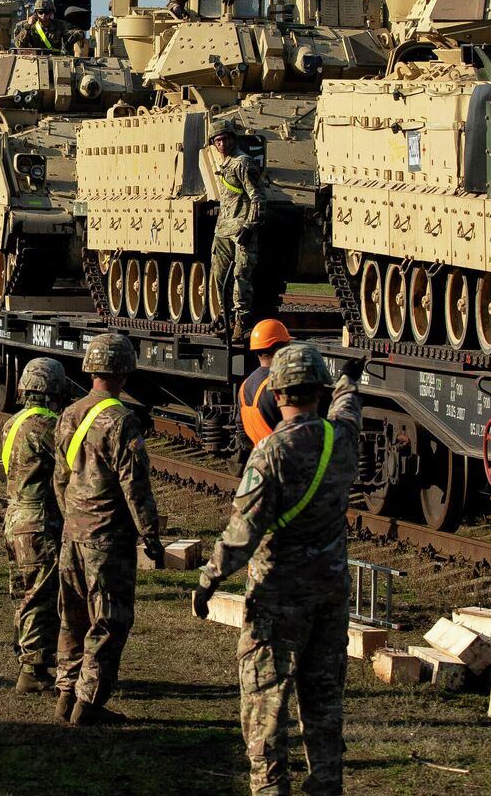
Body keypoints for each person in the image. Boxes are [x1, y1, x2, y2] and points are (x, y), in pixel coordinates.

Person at [189, 344, 363, 796]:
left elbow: (242, 534)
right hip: (330, 593)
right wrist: (349, 378)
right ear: (318, 392)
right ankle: (326, 781)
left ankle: (270, 788)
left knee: (266, 698)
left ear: (278, 393)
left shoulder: (269, 453)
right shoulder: (340, 439)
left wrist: (209, 578)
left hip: (279, 598)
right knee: (324, 698)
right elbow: (348, 406)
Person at [52, 331, 163, 726]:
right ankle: (89, 703)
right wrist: (150, 535)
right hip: (107, 537)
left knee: (73, 616)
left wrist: (70, 516)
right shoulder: (122, 420)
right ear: (125, 372)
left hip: (72, 533)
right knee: (110, 619)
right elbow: (135, 485)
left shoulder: (69, 413)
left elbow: (60, 477)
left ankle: (65, 694)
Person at [1, 357, 82, 695]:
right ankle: (33, 671)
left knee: (24, 592)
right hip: (39, 521)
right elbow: (73, 466)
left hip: (15, 516)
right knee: (40, 596)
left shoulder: (12, 423)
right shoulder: (47, 426)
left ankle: (27, 655)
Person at [207, 119, 266, 340]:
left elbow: (258, 196)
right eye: (217, 140)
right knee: (220, 277)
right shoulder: (225, 164)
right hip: (223, 229)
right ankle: (227, 319)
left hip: (241, 230)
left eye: (224, 139)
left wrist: (250, 225)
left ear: (232, 139)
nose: (221, 144)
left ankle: (241, 323)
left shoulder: (243, 163)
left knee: (241, 276)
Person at [237, 319, 292, 450]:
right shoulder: (282, 385)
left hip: (263, 460)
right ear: (279, 349)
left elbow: (242, 432)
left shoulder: (244, 387)